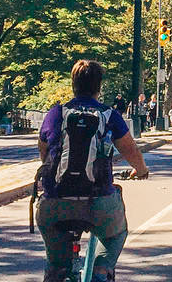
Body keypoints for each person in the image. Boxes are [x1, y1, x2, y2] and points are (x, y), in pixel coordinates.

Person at [36, 60, 148, 282]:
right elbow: (131, 150)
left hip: (55, 202)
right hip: (98, 202)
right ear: (99, 86)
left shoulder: (56, 113)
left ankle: (58, 272)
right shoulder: (109, 115)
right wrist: (141, 170)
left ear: (73, 84)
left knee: (56, 262)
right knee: (116, 234)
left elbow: (44, 151)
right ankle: (101, 271)